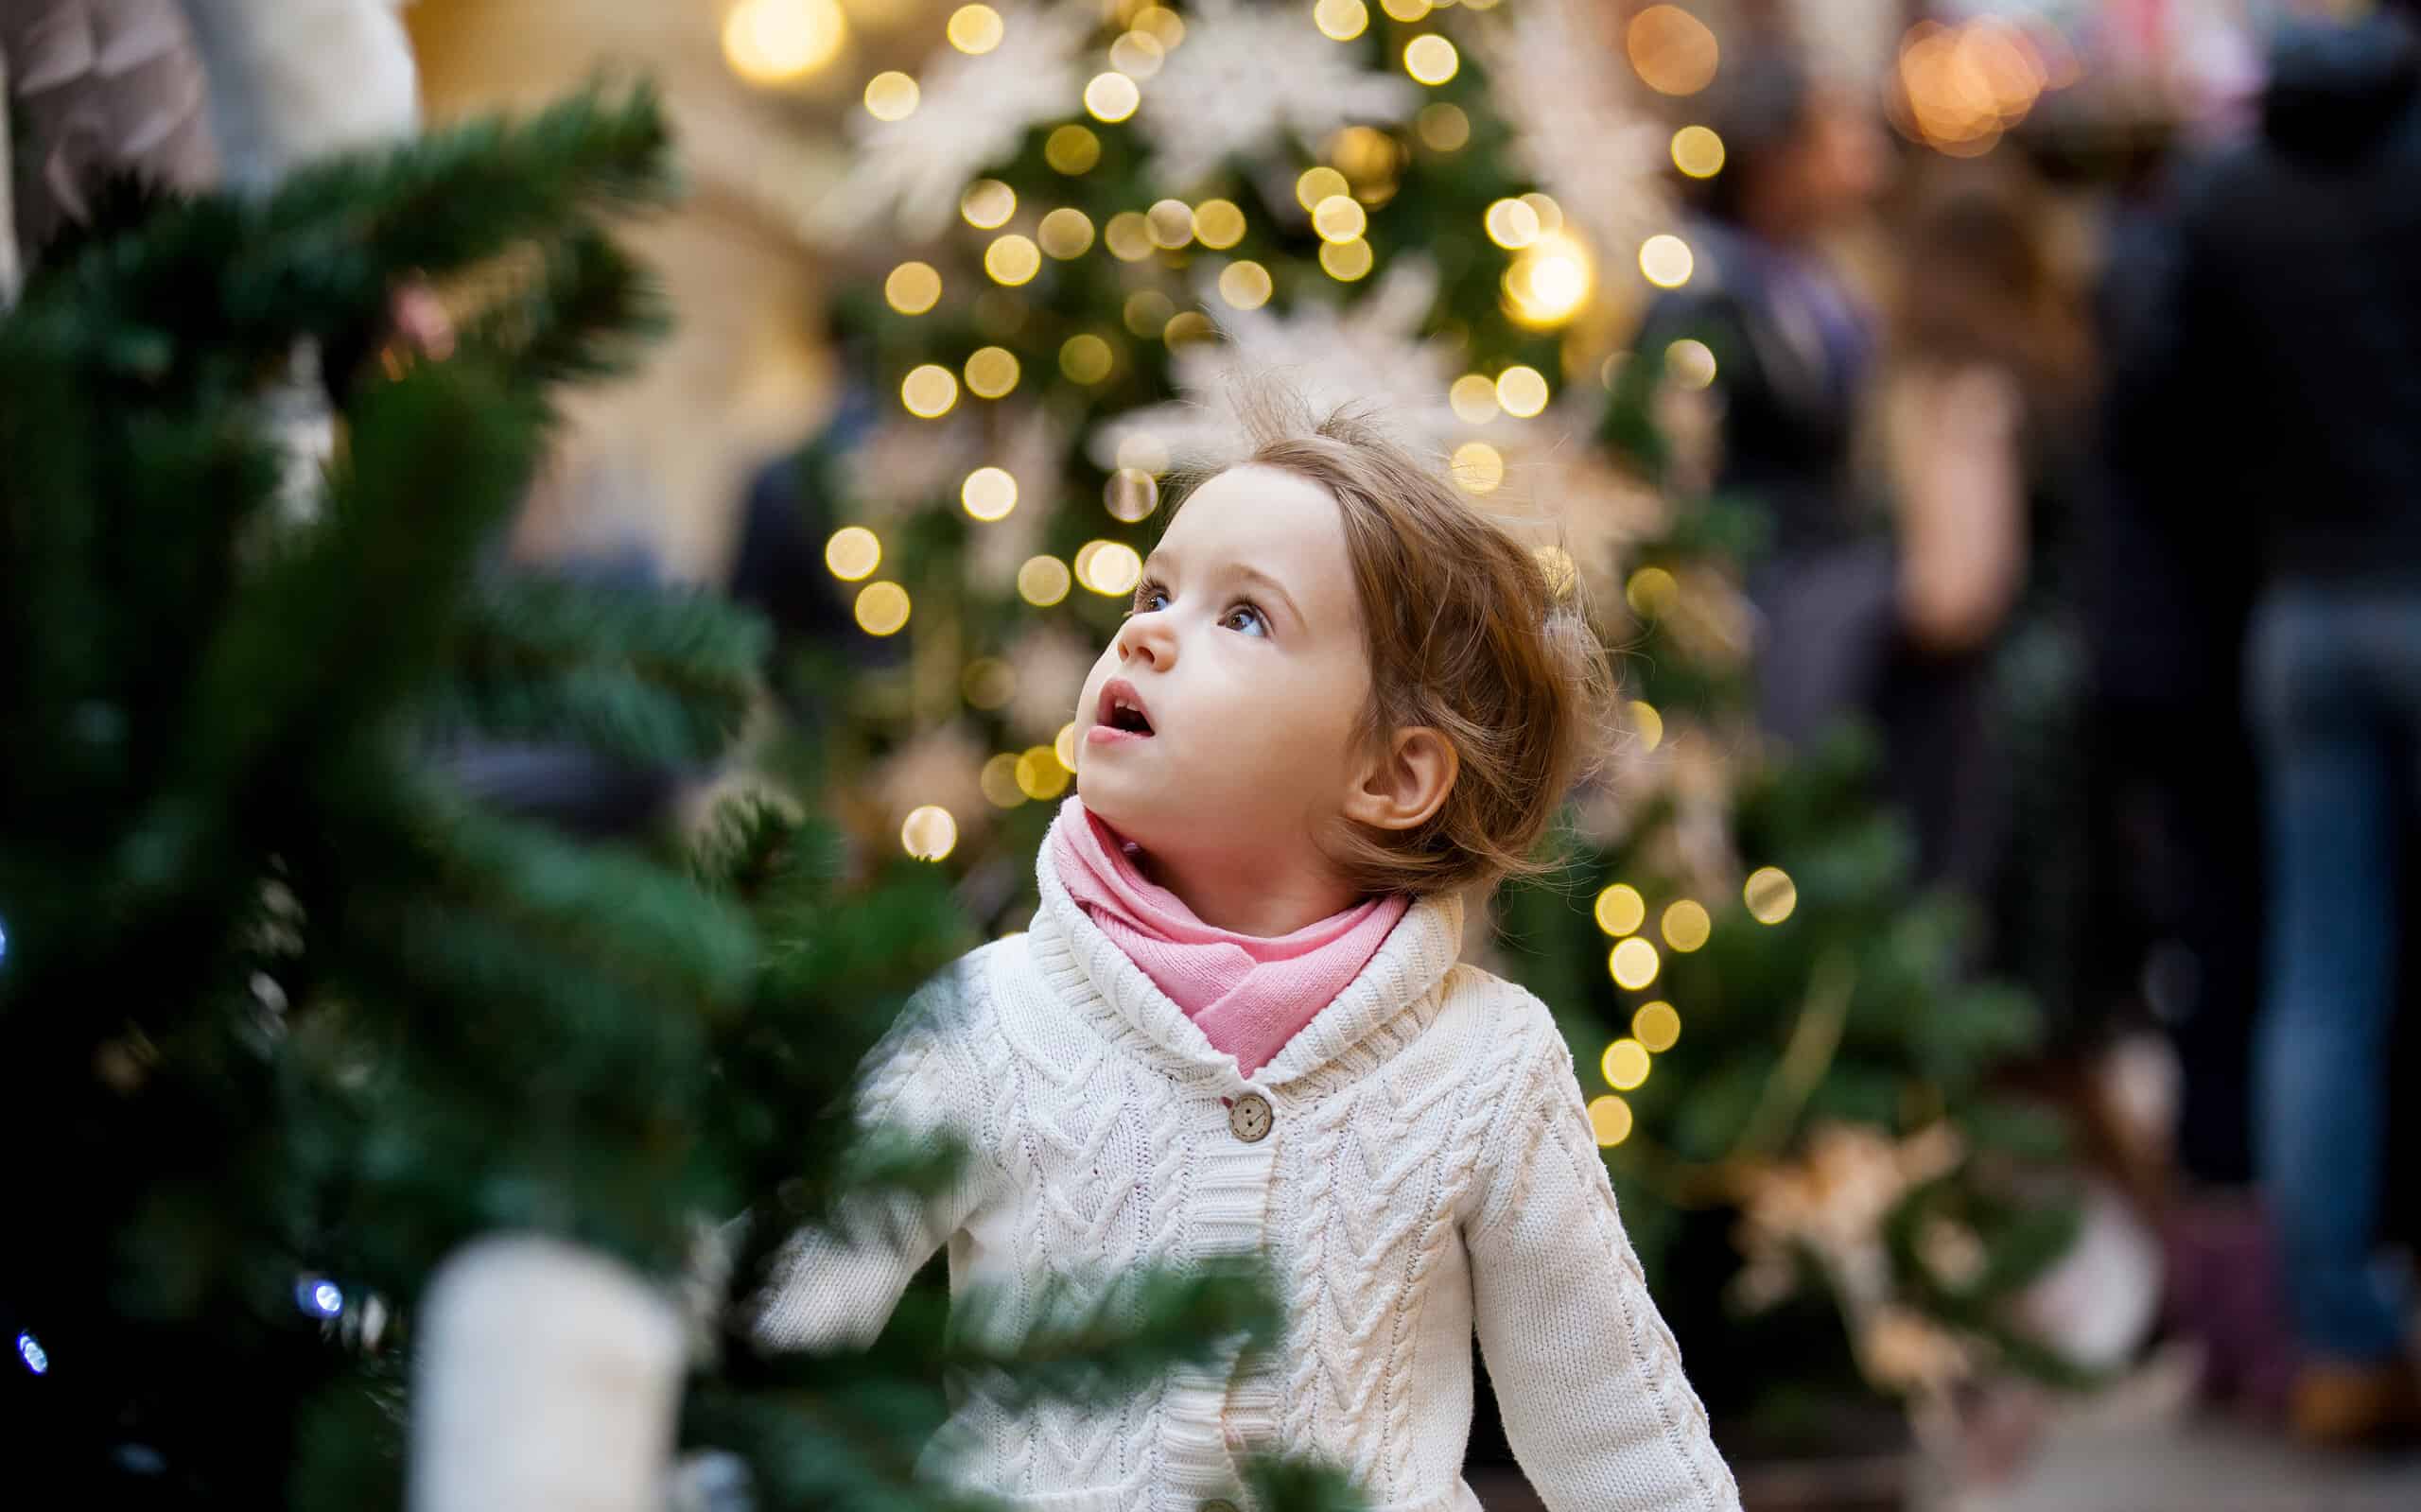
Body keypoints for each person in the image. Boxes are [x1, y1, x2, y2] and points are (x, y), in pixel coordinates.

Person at [751, 382, 1740, 1511]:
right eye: (1156, 590)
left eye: (1243, 616)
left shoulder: (1489, 1067)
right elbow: (776, 1324)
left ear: (1392, 775)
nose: (1145, 632)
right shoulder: (990, 1021)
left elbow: (1614, 1431)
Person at [2127, 1, 2421, 1447]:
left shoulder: (2227, 192)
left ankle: (2339, 1337)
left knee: (2321, 978)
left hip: (2299, 610)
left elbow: (2172, 405)